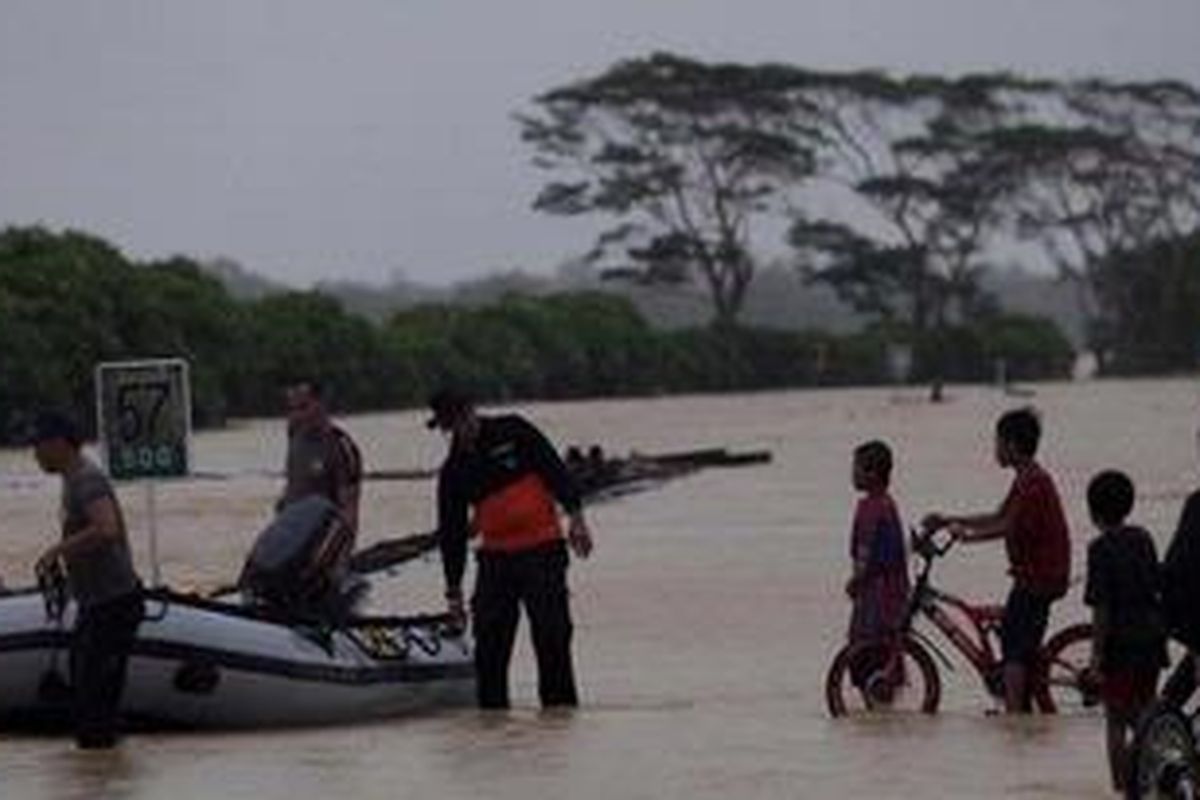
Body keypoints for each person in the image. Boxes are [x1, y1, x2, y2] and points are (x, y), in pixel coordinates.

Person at [429, 389, 594, 709]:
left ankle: (559, 718)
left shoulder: (514, 430)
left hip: (542, 549)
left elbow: (555, 470)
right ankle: (492, 723)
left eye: (460, 421)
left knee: (552, 640)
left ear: (471, 412)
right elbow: (451, 536)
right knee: (489, 649)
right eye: (448, 427)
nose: (456, 432)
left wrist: (577, 518)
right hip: (495, 560)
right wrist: (453, 592)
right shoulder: (453, 470)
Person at [922, 407, 1071, 713]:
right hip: (1035, 573)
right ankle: (1021, 701)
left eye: (998, 443)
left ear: (1013, 445)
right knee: (1017, 635)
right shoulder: (1026, 478)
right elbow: (998, 516)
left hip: (1039, 577)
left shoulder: (1034, 483)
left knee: (1013, 647)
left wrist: (966, 536)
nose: (995, 450)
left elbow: (1007, 527)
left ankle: (1014, 714)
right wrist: (947, 519)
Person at [30, 411, 144, 749]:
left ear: (59, 444)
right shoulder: (71, 479)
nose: (34, 455)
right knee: (87, 696)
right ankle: (103, 775)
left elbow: (106, 529)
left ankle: (105, 774)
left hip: (114, 603)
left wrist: (57, 550)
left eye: (38, 447)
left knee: (96, 704)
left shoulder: (86, 480)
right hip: (96, 604)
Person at [1082, 470, 1167, 793]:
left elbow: (1101, 609)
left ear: (1092, 511)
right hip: (1152, 639)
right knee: (1146, 710)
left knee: (1116, 719)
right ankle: (1158, 772)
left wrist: (1096, 658)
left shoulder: (1099, 549)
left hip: (1121, 646)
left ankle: (1120, 788)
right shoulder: (1143, 537)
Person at [844, 440, 911, 704]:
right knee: (867, 652)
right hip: (873, 592)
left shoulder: (879, 507)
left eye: (857, 469)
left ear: (872, 474)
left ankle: (880, 708)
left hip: (880, 594)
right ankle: (877, 706)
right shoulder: (877, 505)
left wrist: (858, 579)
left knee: (872, 652)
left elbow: (879, 556)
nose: (853, 474)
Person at [277, 378, 363, 576]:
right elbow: (294, 481)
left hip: (320, 543)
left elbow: (349, 513)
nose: (297, 415)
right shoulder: (294, 432)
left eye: (303, 407)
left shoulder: (341, 448)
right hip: (291, 539)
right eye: (292, 409)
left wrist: (340, 563)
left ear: (321, 403)